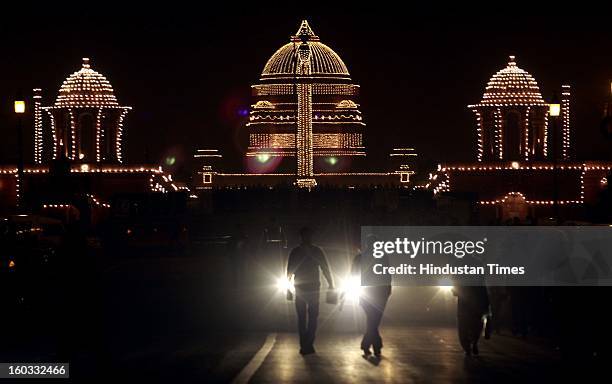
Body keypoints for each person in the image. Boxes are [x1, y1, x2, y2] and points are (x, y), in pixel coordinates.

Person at [287, 227, 334, 355]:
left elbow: (289, 271)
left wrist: (288, 289)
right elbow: (325, 269)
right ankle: (308, 344)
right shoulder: (317, 251)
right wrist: (331, 284)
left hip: (301, 287)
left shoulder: (295, 251)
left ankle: (304, 345)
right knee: (312, 317)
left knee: (302, 317)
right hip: (313, 287)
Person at [351, 235, 392, 358]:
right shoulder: (382, 257)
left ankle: (369, 345)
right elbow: (388, 275)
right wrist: (388, 289)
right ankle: (374, 346)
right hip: (379, 292)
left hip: (367, 293)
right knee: (374, 321)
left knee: (372, 320)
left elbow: (353, 274)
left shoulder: (359, 258)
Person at [453, 285, 490, 356]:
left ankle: (468, 347)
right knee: (476, 326)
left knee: (464, 327)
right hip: (476, 304)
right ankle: (473, 343)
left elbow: (456, 290)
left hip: (465, 305)